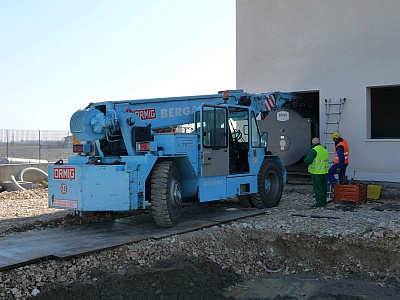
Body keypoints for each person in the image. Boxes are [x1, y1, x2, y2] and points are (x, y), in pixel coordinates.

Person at [304, 137, 329, 207]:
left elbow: (308, 160)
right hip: (325, 172)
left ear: (312, 143)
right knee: (324, 187)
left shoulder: (314, 151)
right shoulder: (325, 150)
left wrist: (305, 161)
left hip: (316, 173)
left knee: (318, 188)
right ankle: (324, 201)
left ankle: (320, 203)